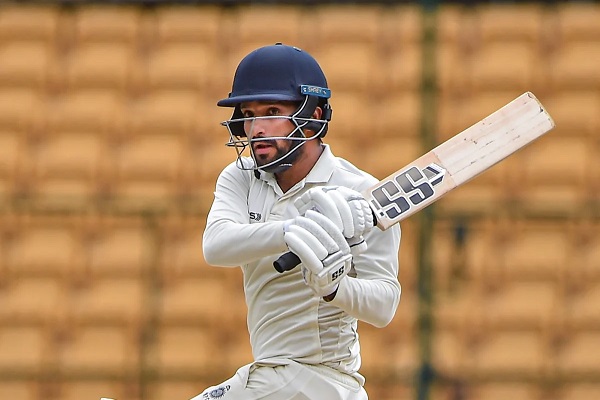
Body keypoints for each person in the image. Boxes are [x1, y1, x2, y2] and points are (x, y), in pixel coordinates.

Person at [193, 43, 401, 400]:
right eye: (249, 114)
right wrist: (293, 230)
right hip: (274, 374)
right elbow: (216, 246)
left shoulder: (359, 192)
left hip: (324, 381)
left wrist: (334, 288)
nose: (256, 128)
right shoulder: (241, 177)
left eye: (272, 112)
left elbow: (384, 305)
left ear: (313, 116)